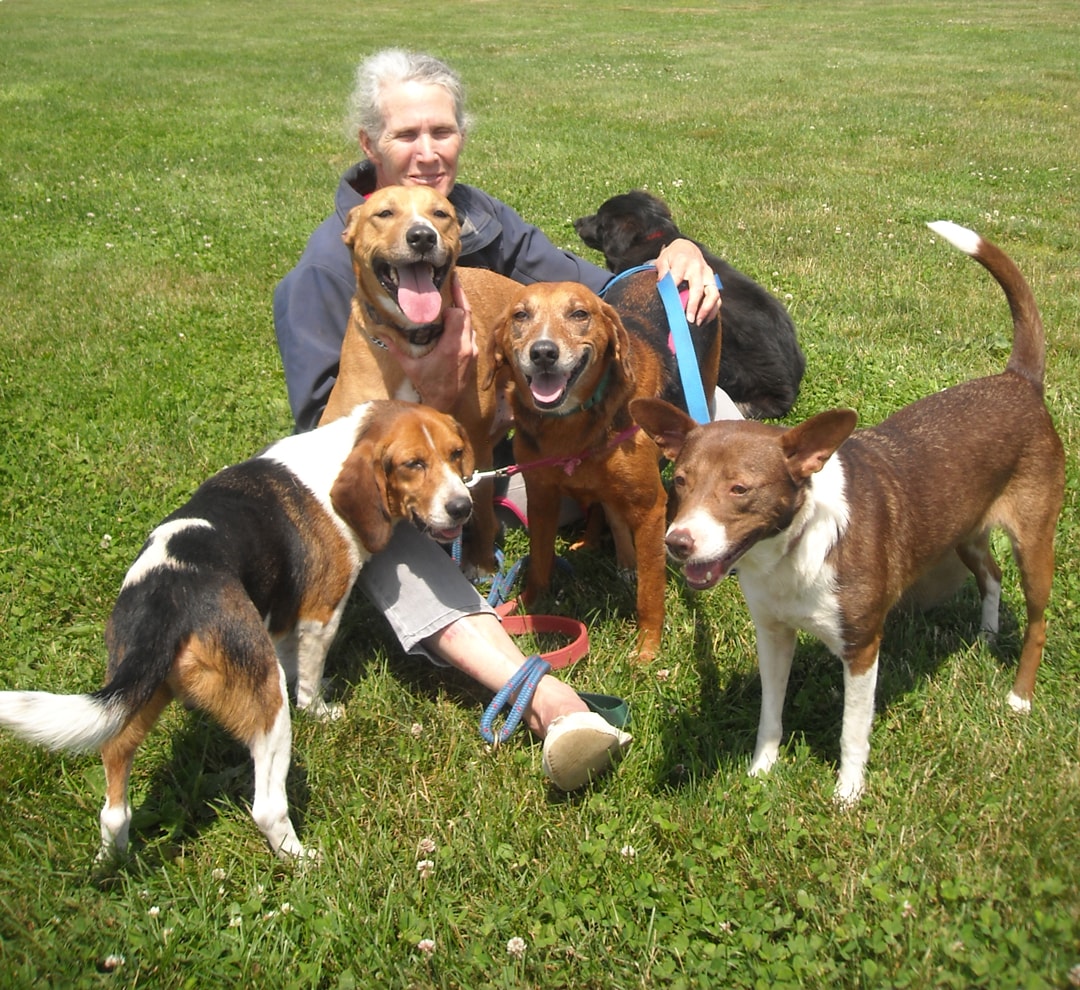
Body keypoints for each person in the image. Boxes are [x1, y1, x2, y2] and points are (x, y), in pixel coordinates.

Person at [274, 50, 723, 791]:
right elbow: (323, 437)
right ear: (368, 145)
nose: (426, 154)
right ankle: (548, 699)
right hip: (394, 487)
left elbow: (590, 297)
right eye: (406, 134)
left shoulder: (474, 222)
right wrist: (425, 386)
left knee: (700, 422)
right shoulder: (328, 268)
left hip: (512, 446)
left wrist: (671, 255)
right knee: (388, 545)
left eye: (442, 132)